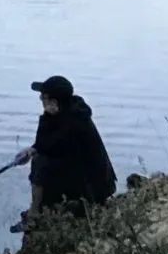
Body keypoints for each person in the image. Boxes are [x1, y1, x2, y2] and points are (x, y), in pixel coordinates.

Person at [9, 74, 116, 233]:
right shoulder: (67, 112)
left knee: (40, 164)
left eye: (43, 98)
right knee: (42, 161)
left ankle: (35, 215)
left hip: (92, 189)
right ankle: (41, 212)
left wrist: (34, 153)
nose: (40, 100)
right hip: (84, 178)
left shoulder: (73, 122)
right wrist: (31, 150)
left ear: (54, 102)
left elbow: (52, 148)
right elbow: (47, 144)